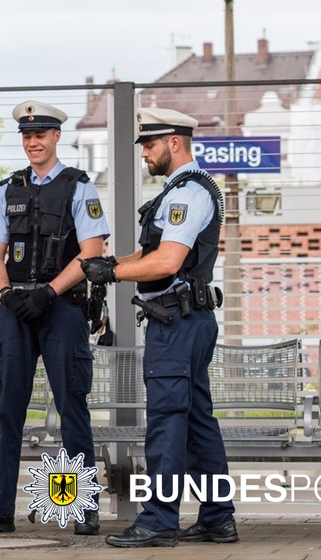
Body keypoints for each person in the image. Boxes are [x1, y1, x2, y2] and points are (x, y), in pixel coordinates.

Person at [81, 107, 238, 548]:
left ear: (174, 142)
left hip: (177, 322)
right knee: (197, 422)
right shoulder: (182, 190)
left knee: (168, 421)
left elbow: (167, 262)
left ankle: (158, 521)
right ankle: (216, 517)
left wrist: (112, 275)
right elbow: (156, 253)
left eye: (150, 145)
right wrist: (110, 263)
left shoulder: (186, 194)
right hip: (187, 319)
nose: (145, 154)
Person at [0, 101, 108, 537]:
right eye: (27, 136)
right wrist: (8, 294)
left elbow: (93, 252)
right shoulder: (8, 189)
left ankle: (81, 507)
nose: (33, 142)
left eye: (41, 134)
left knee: (71, 407)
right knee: (8, 410)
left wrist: (48, 292)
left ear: (56, 137)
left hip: (61, 309)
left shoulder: (80, 188)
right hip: (16, 312)